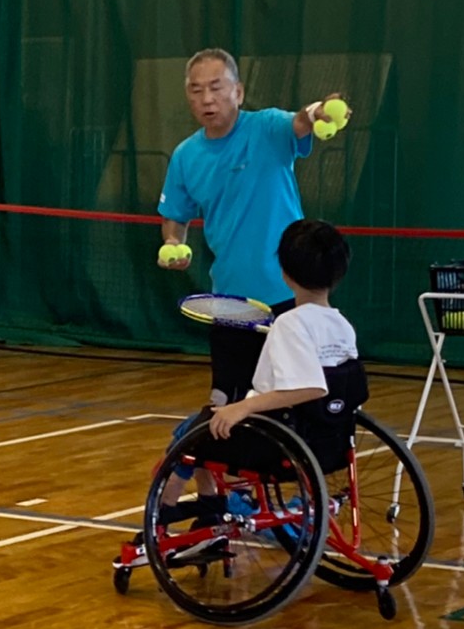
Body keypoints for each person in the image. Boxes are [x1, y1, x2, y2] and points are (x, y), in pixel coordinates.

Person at [155, 48, 342, 504]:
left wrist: (318, 112)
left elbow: (301, 121)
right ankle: (215, 501)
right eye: (196, 90)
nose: (207, 98)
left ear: (237, 91)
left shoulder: (267, 128)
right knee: (224, 405)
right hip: (230, 306)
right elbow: (175, 215)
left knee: (299, 402)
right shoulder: (185, 156)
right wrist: (173, 243)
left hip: (290, 300)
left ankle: (304, 502)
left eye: (217, 87)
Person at [136, 219, 360, 564]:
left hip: (270, 439)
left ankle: (162, 521)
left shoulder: (291, 323)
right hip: (328, 440)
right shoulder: (342, 324)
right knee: (205, 425)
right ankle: (209, 510)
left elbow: (311, 387)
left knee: (191, 433)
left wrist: (240, 409)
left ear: (284, 273)